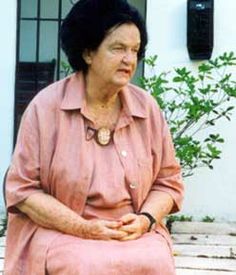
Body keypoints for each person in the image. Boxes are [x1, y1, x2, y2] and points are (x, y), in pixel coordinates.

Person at [4, 0, 184, 274]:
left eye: (135, 50)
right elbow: (23, 190)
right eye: (118, 49)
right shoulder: (46, 107)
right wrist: (83, 227)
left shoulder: (147, 108)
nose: (129, 60)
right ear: (88, 53)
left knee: (156, 262)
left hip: (131, 232)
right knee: (84, 265)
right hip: (64, 230)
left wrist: (146, 220)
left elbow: (168, 183)